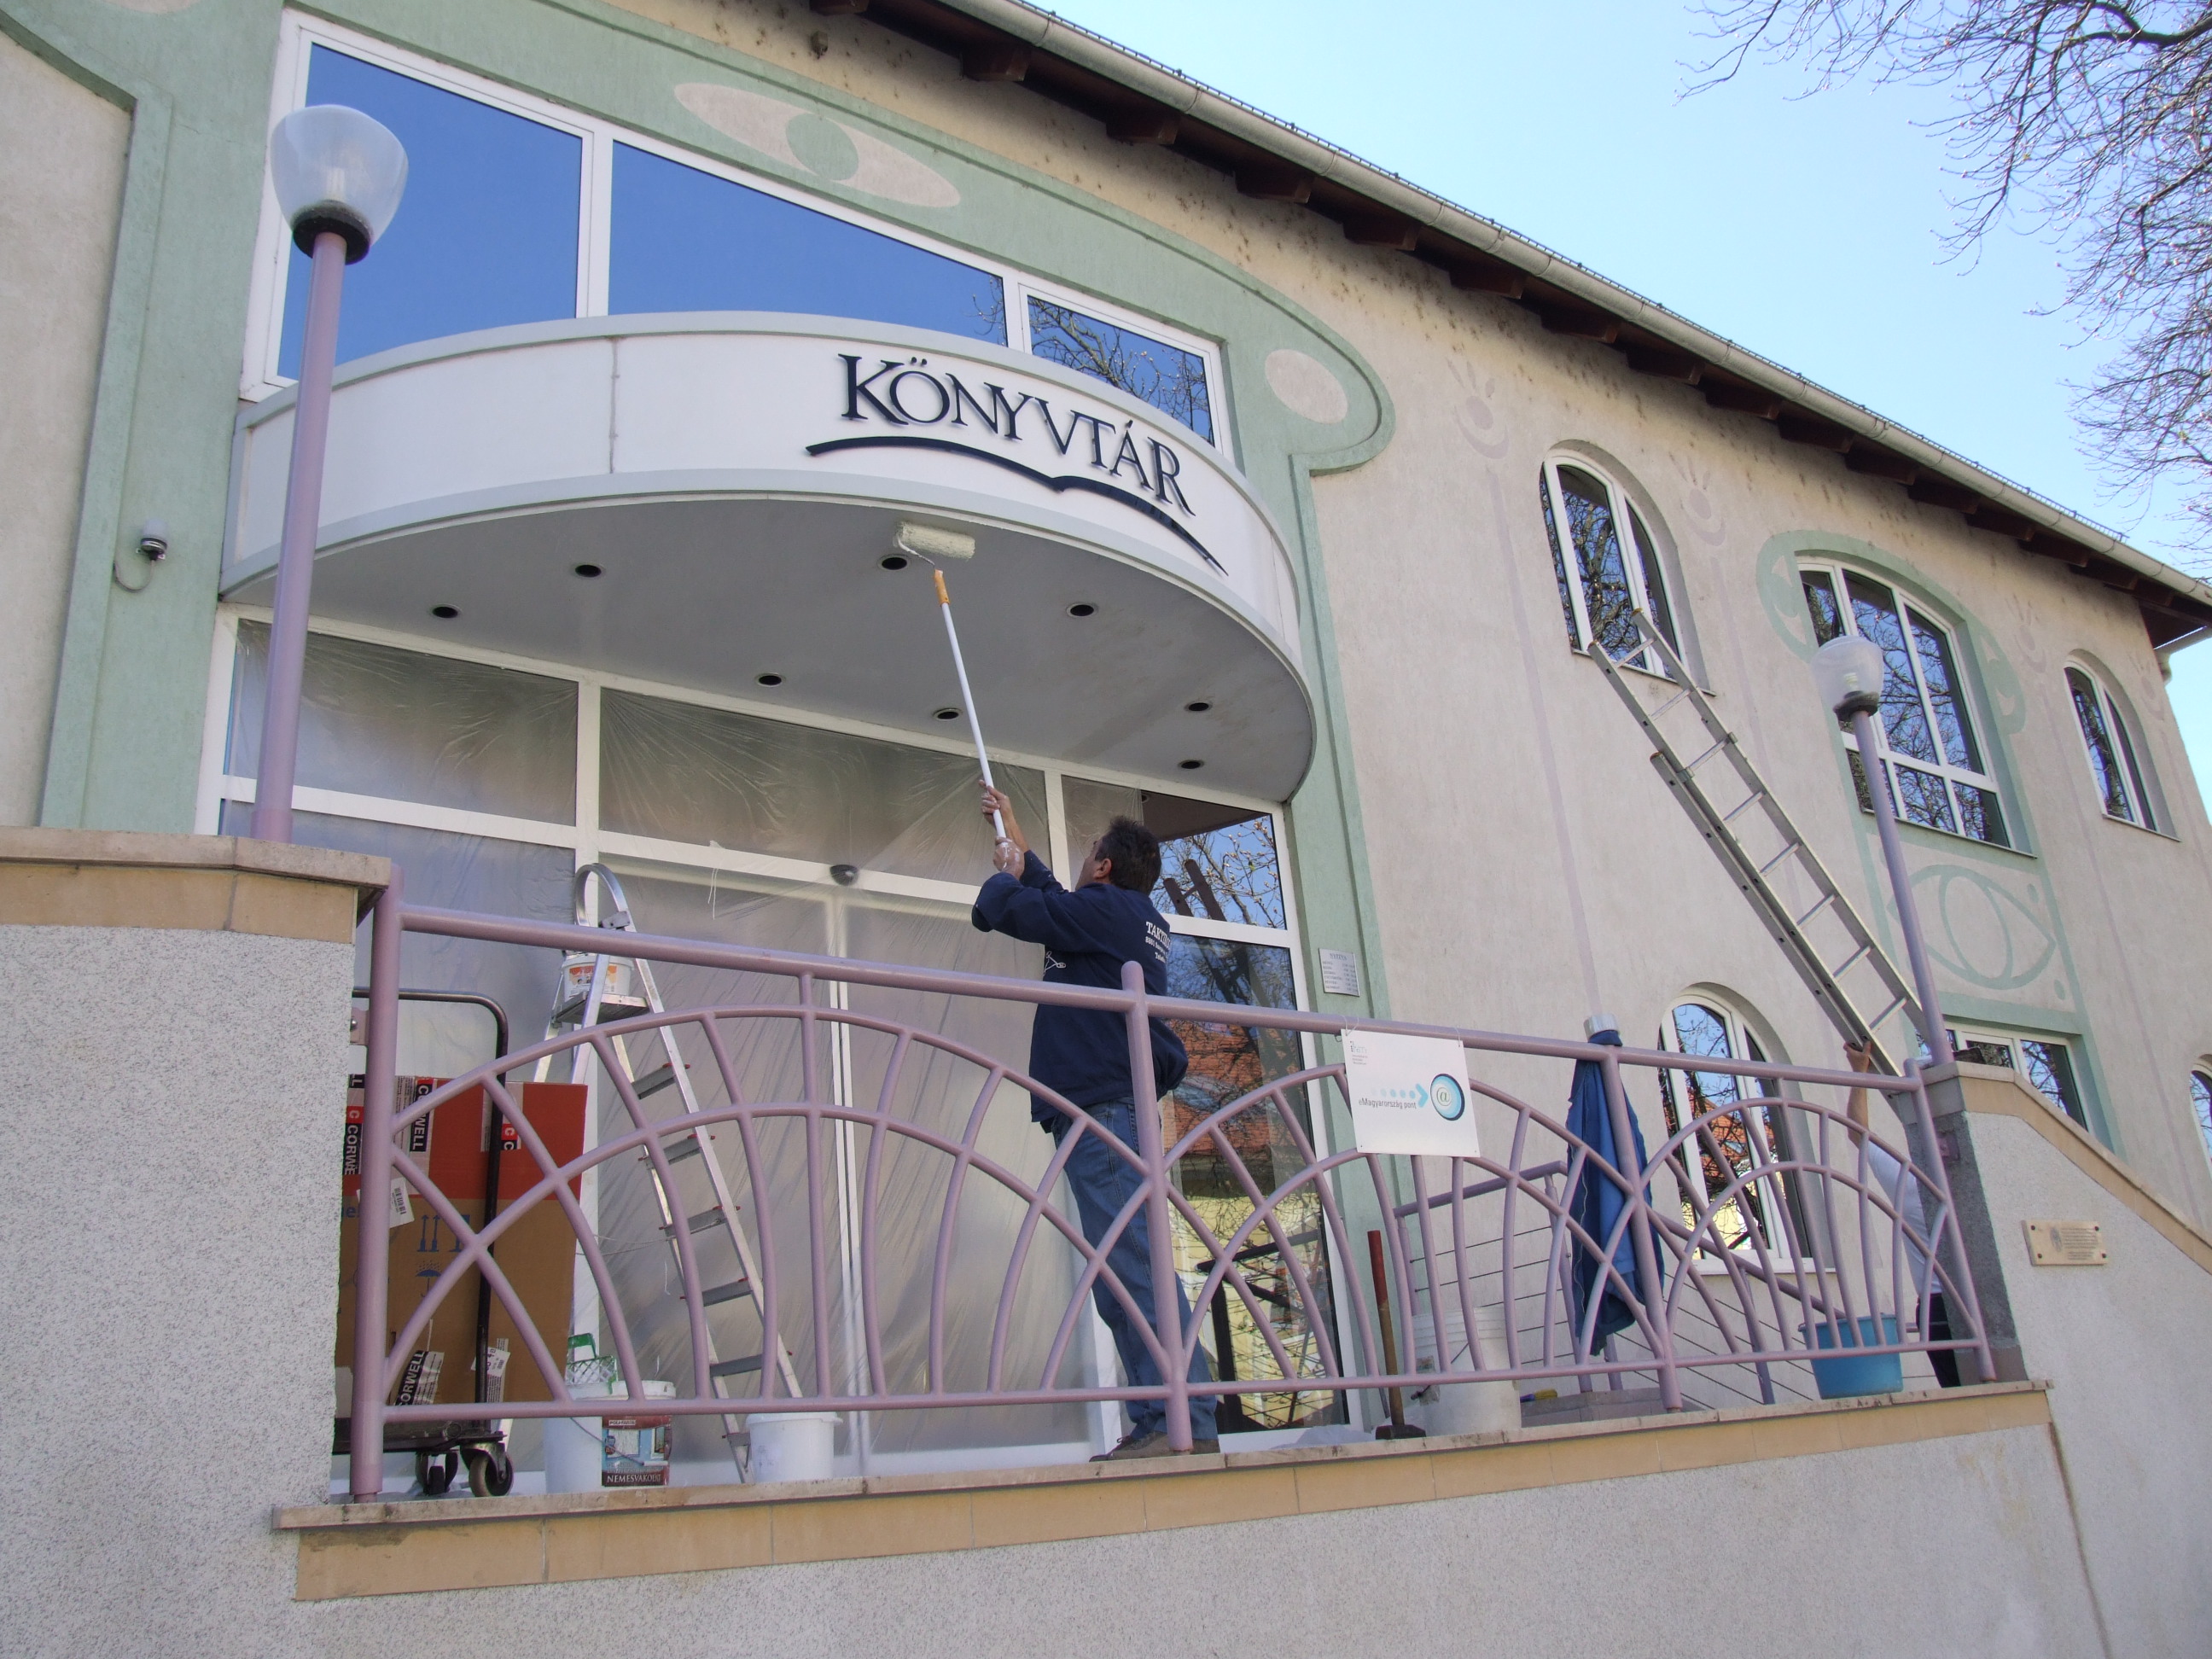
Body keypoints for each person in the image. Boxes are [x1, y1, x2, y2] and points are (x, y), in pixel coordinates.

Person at [969, 783, 1220, 1458]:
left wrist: (1002, 880)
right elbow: (1055, 898)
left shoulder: (1106, 913)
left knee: (1132, 1267)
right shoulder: (1126, 918)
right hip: (1116, 1110)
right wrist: (1014, 834)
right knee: (1125, 1270)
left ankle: (1181, 1421)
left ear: (1105, 868)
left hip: (1105, 1114)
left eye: (1089, 856)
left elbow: (1020, 909)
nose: (1082, 865)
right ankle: (1167, 1416)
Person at [1842, 1044, 1961, 1388]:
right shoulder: (1976, 1181)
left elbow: (1857, 1132)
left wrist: (1859, 1071)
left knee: (1964, 1395)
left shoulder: (1911, 1182)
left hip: (1937, 1309)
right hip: (1974, 1302)